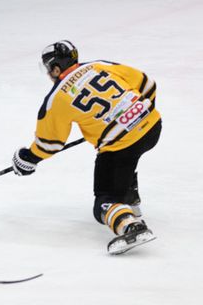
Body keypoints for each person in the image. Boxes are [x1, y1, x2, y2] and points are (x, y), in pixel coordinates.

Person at [11, 41, 162, 255]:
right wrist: (135, 114)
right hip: (153, 127)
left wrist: (28, 158)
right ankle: (129, 197)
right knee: (127, 158)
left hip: (121, 147)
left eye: (49, 69)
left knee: (104, 201)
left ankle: (130, 226)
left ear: (56, 68)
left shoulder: (57, 98)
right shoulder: (99, 65)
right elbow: (147, 83)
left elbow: (50, 143)